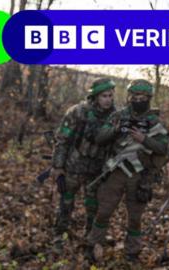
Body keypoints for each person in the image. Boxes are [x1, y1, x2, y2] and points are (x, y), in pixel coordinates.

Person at [85, 79, 169, 262]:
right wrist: (117, 129)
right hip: (116, 171)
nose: (138, 100)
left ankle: (132, 253)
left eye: (142, 97)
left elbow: (163, 148)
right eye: (135, 96)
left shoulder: (155, 122)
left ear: (148, 98)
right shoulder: (118, 116)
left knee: (135, 217)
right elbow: (100, 138)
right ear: (129, 97)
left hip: (140, 175)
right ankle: (93, 246)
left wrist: (143, 139)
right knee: (104, 211)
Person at [50, 78, 117, 247]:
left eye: (110, 95)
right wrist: (58, 166)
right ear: (95, 97)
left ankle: (91, 236)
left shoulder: (115, 117)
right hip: (74, 165)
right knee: (66, 200)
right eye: (104, 96)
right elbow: (62, 140)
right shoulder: (78, 112)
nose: (108, 99)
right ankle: (60, 234)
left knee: (93, 204)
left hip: (97, 169)